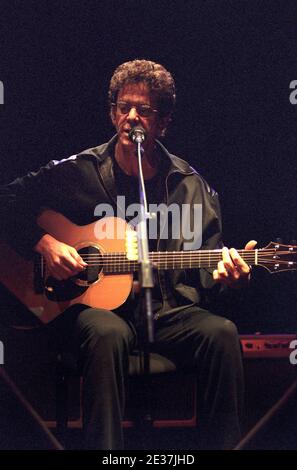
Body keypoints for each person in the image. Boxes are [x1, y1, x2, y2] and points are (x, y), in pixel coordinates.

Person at [0, 59, 256, 450]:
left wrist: (229, 277)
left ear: (163, 122)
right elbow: (6, 200)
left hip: (167, 313)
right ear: (112, 112)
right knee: (109, 332)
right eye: (124, 107)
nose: (132, 117)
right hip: (92, 313)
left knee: (222, 334)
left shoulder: (191, 186)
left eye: (145, 110)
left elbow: (208, 275)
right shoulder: (77, 173)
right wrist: (45, 243)